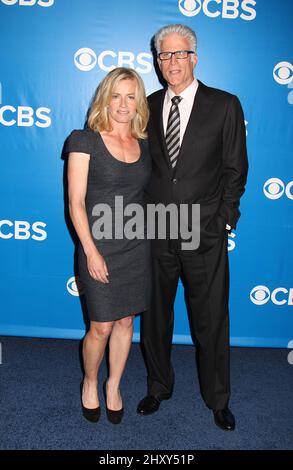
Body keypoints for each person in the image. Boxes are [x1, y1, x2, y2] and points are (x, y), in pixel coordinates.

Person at [137, 24, 248, 431]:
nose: (171, 62)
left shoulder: (224, 105)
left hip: (204, 231)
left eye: (179, 54)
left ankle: (218, 399)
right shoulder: (146, 106)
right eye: (164, 55)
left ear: (194, 58)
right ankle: (158, 387)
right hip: (155, 231)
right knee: (155, 318)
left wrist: (224, 220)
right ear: (158, 61)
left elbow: (236, 169)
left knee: (211, 320)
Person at [66, 67, 151, 424]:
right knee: (100, 326)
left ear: (139, 103)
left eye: (131, 97)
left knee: (126, 322)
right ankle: (89, 382)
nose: (123, 104)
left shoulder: (144, 144)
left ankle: (113, 385)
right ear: (105, 98)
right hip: (98, 246)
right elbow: (76, 203)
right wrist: (91, 251)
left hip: (136, 248)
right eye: (116, 95)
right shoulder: (83, 141)